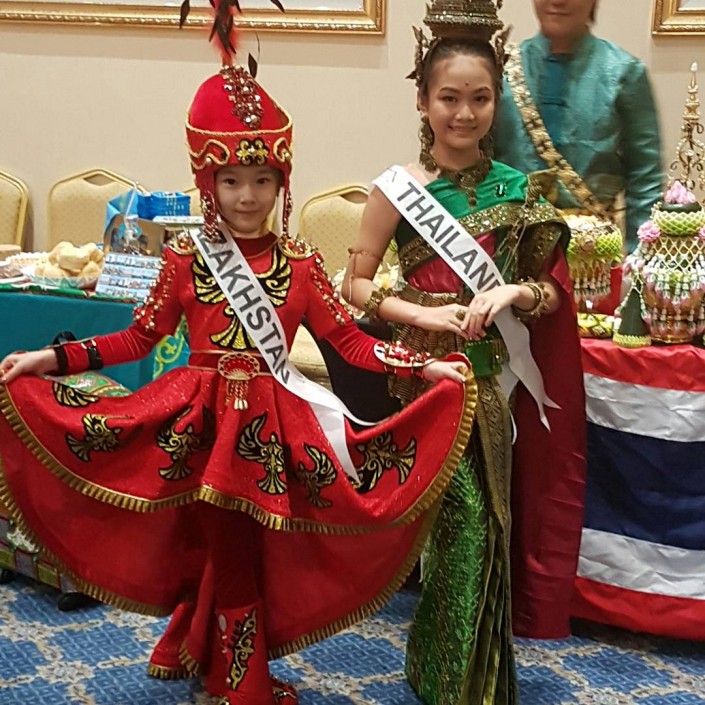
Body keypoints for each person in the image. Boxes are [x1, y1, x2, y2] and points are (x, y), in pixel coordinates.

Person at [0, 7, 476, 704]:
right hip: (198, 426)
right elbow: (137, 339)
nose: (247, 196)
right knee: (227, 546)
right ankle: (239, 679)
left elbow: (349, 342)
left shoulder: (302, 263)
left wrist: (424, 366)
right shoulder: (186, 258)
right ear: (208, 183)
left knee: (253, 549)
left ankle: (211, 651)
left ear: (282, 183)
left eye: (261, 180)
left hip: (272, 425)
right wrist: (50, 360)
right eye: (231, 181)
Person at [342, 0, 586, 702]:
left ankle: (454, 672)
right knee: (464, 523)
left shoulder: (519, 190)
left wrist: (513, 292)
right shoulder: (396, 192)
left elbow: (551, 296)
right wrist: (420, 311)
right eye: (448, 97)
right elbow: (354, 284)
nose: (464, 113)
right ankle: (453, 679)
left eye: (479, 98)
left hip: (494, 383)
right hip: (425, 381)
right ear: (423, 101)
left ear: (495, 102)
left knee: (487, 527)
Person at [494, 0, 663, 253]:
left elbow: (645, 181)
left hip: (591, 257)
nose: (558, 1)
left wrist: (638, 261)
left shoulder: (623, 74)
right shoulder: (502, 70)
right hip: (508, 252)